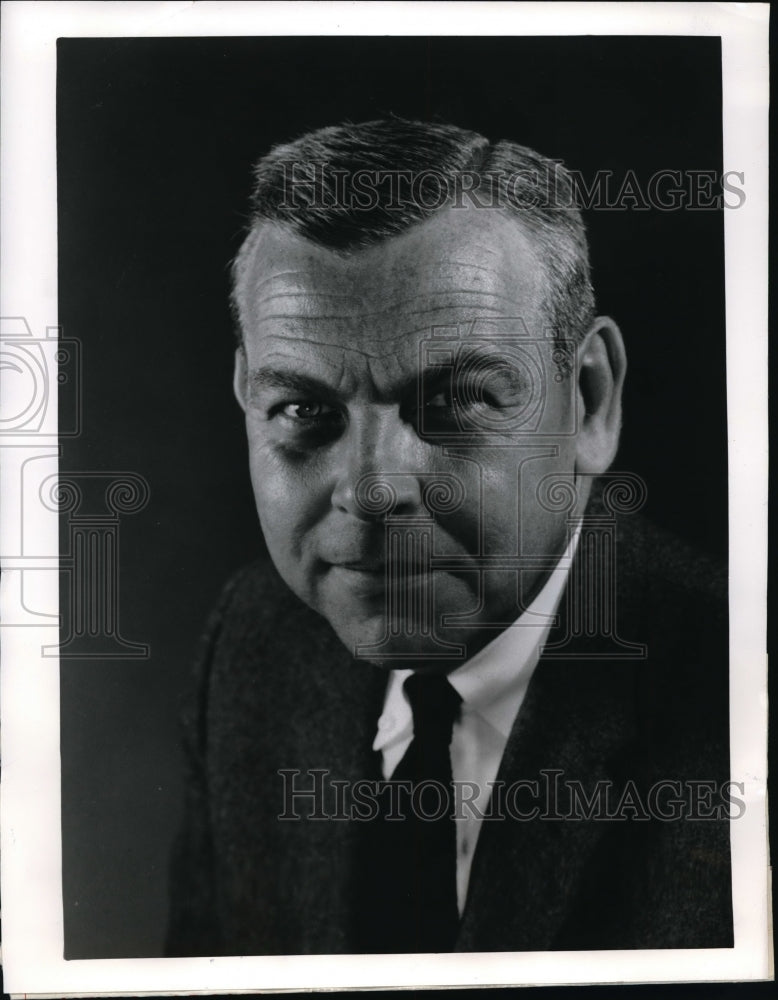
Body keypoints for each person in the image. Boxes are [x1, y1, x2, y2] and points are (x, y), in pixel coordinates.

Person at [166, 118, 732, 956]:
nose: (368, 488)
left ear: (589, 398)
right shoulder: (254, 644)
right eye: (304, 411)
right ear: (248, 398)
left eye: (455, 403)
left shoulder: (736, 704)